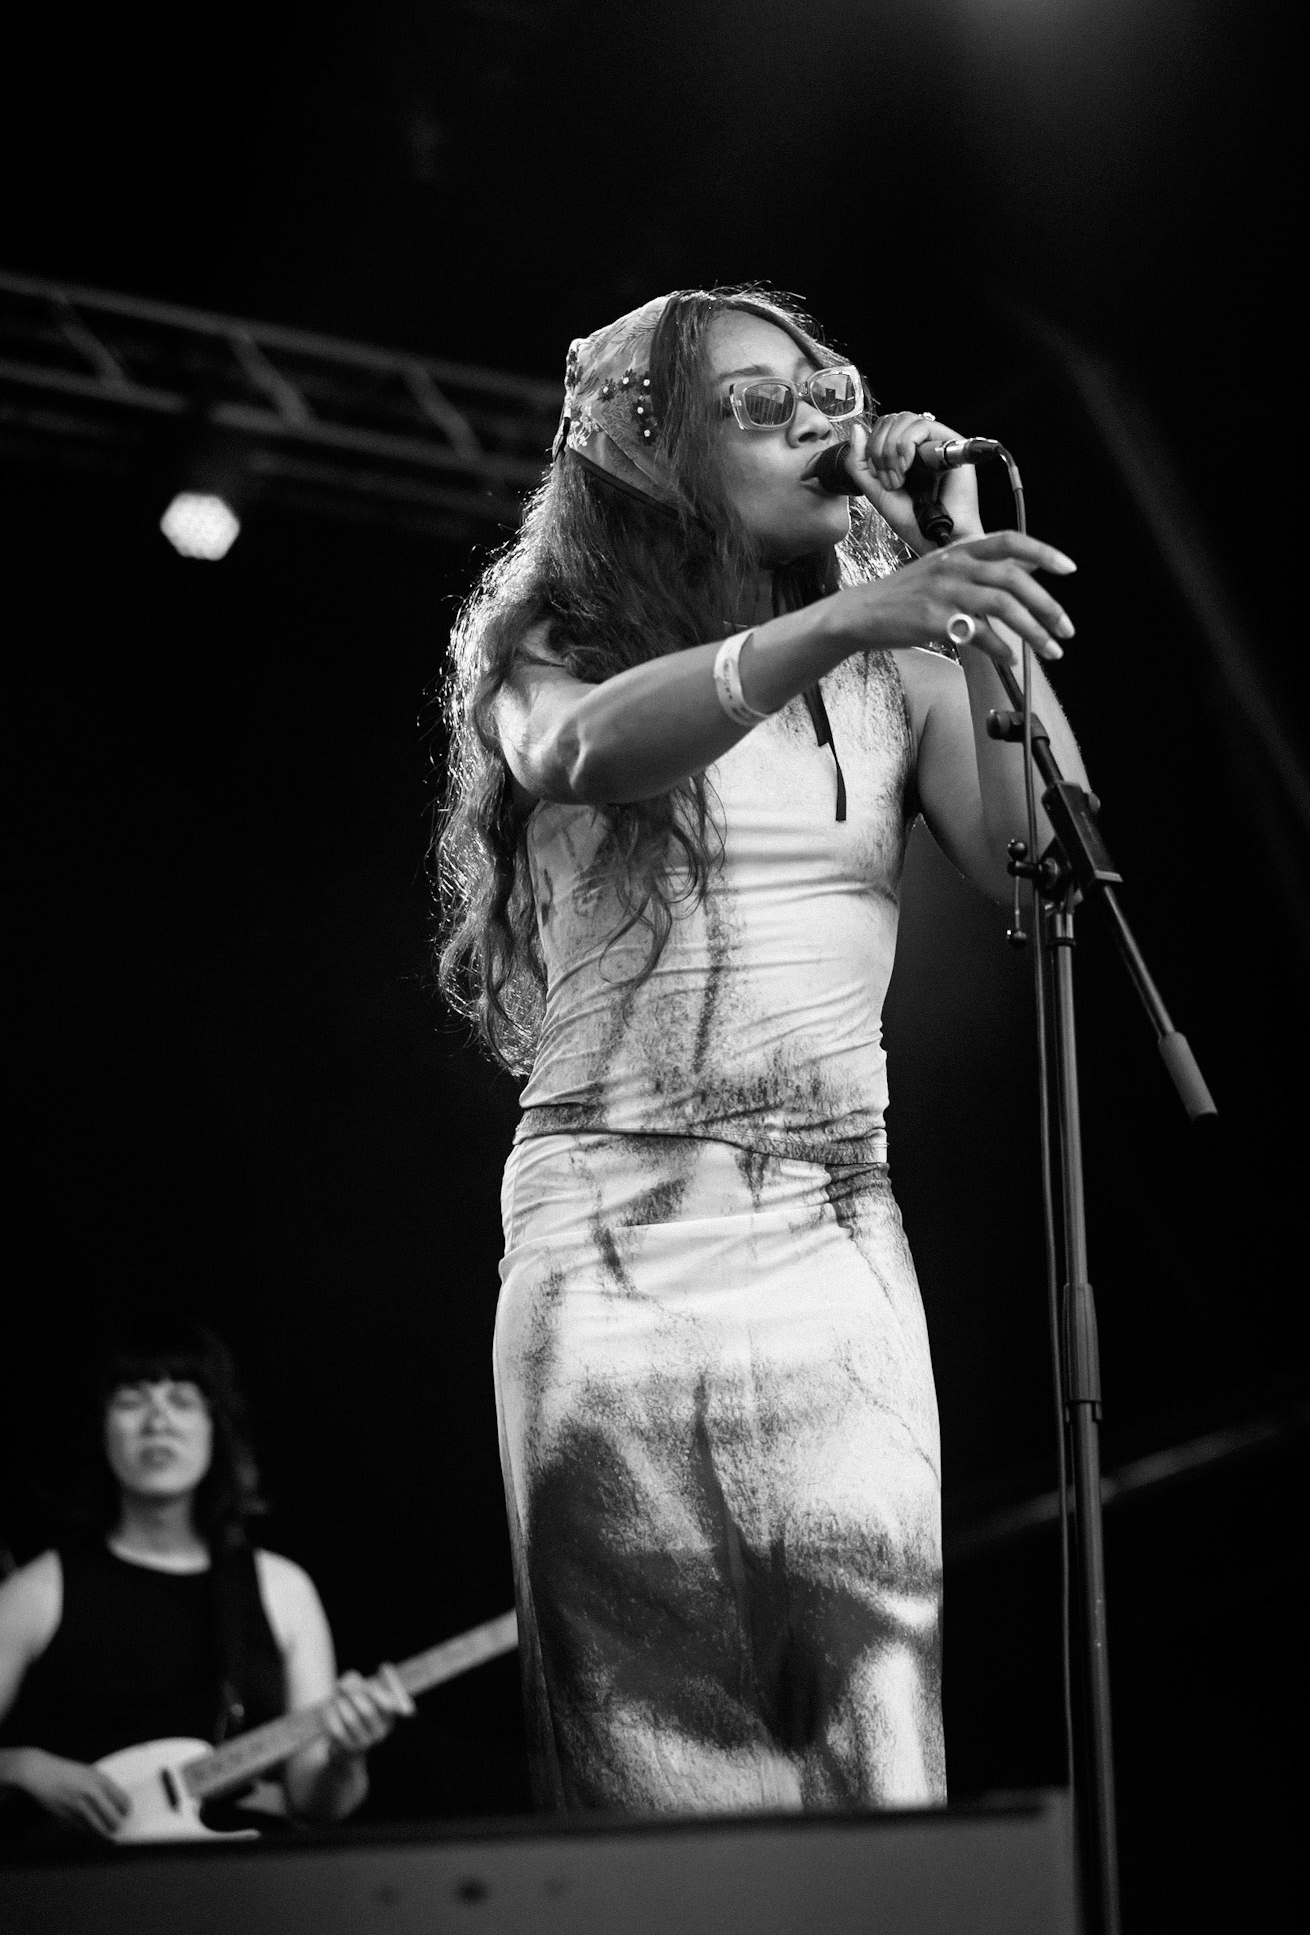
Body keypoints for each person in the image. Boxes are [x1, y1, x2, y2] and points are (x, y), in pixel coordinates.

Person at [435, 287, 1087, 1815]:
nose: (816, 424)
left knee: (874, 1715)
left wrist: (953, 585)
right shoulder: (547, 640)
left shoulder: (900, 660)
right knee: (648, 1737)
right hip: (612, 1229)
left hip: (832, 1227)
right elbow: (582, 749)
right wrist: (845, 618)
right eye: (757, 403)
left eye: (827, 392)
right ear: (648, 450)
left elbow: (1047, 861)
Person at [0, 1322, 413, 1843]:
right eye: (131, 1400)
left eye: (182, 1400)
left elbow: (315, 1803)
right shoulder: (38, 1592)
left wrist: (346, 1757)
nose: (158, 1421)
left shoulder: (283, 1590)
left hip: (240, 1883)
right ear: (101, 1427)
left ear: (215, 1427)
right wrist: (23, 1767)